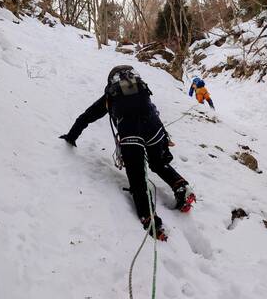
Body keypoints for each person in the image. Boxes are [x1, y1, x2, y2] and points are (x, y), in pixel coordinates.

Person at [59, 65, 195, 241]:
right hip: (154, 128)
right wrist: (164, 137)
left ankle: (151, 220)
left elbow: (87, 116)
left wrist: (71, 136)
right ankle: (181, 187)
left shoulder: (111, 95)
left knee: (138, 178)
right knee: (158, 163)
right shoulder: (142, 89)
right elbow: (153, 112)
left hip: (130, 133)